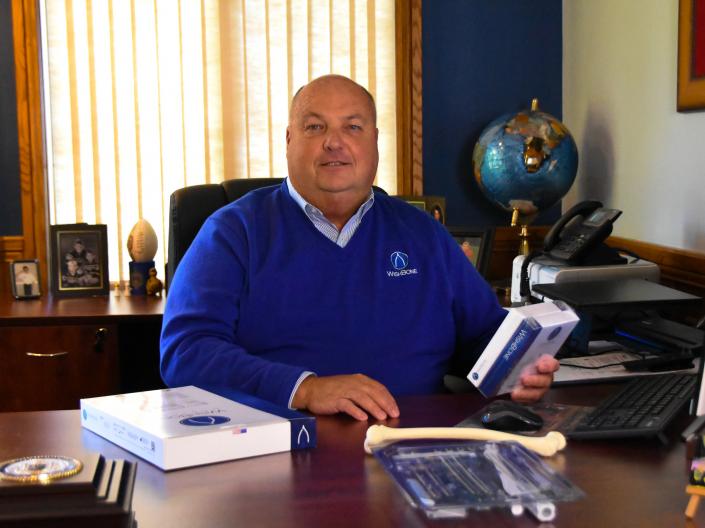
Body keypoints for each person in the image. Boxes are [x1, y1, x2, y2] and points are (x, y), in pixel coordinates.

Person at [160, 74, 559, 421]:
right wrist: (306, 389)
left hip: (416, 438)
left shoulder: (423, 233)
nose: (334, 142)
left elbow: (482, 334)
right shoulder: (233, 232)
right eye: (315, 127)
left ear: (374, 142)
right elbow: (186, 352)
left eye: (353, 127)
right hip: (282, 446)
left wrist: (518, 368)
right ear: (288, 140)